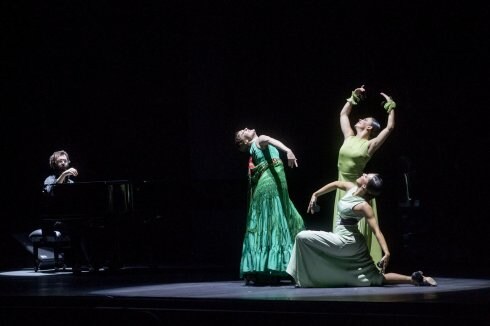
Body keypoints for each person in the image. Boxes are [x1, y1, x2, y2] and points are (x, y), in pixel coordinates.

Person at [286, 173, 437, 287]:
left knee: (302, 237)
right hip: (349, 242)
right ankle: (414, 279)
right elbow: (337, 184)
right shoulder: (351, 188)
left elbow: (376, 231)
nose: (363, 174)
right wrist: (316, 194)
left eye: (366, 176)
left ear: (365, 186)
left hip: (346, 242)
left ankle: (300, 278)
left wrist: (387, 252)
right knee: (374, 278)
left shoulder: (364, 206)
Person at [331, 85, 396, 265]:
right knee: (341, 229)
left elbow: (389, 128)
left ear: (369, 127)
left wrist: (390, 106)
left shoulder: (370, 145)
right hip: (341, 187)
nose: (359, 119)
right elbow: (343, 115)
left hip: (357, 190)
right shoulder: (349, 136)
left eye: (364, 119)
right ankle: (343, 265)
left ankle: (364, 265)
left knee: (357, 231)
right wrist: (353, 98)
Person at [235, 127, 305, 285]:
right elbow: (270, 139)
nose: (246, 128)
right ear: (245, 141)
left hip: (273, 185)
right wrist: (289, 151)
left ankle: (266, 267)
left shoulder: (254, 149)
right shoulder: (259, 140)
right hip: (270, 186)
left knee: (272, 223)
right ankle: (278, 266)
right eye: (242, 131)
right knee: (276, 222)